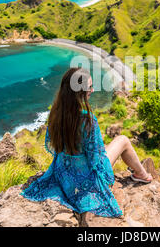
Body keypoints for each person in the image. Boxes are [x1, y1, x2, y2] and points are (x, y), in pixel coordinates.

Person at [20, 67, 152, 218]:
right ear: (79, 92)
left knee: (109, 146)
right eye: (90, 87)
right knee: (122, 140)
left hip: (63, 174)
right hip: (84, 182)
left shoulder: (56, 113)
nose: (93, 90)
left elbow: (54, 146)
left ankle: (140, 172)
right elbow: (95, 160)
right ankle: (142, 174)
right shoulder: (87, 120)